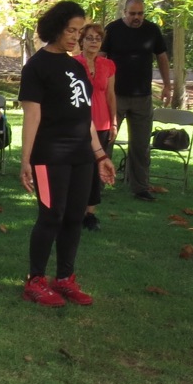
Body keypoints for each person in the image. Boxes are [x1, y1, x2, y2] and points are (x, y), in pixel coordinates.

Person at [19, 1, 116, 308]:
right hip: (50, 155)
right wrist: (26, 160)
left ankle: (64, 279)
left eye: (79, 30)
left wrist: (100, 155)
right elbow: (31, 116)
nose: (75, 37)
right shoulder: (35, 67)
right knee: (52, 216)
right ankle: (35, 281)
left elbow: (85, 117)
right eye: (70, 30)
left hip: (81, 155)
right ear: (55, 28)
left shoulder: (76, 65)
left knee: (75, 217)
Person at [102, 0, 172, 201]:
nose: (136, 17)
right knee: (106, 141)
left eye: (140, 13)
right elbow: (101, 57)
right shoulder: (113, 29)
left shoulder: (152, 30)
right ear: (125, 12)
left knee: (141, 146)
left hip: (143, 97)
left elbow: (162, 57)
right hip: (114, 96)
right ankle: (98, 184)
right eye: (132, 13)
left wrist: (167, 85)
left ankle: (140, 187)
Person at [76, 22, 116, 231]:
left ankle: (90, 214)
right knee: (79, 166)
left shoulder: (108, 65)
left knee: (95, 169)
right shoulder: (73, 63)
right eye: (89, 38)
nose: (93, 42)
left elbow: (110, 95)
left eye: (97, 38)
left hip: (101, 122)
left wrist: (114, 121)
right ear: (81, 41)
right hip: (78, 121)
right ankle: (74, 209)